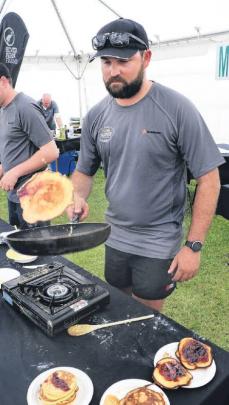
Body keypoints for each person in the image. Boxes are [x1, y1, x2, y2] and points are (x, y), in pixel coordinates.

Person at [67, 18, 224, 312]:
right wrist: (77, 196)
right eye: (106, 62)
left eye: (124, 61)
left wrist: (193, 246)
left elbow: (209, 178)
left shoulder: (177, 109)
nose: (113, 71)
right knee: (117, 304)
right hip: (114, 234)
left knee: (146, 316)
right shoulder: (96, 116)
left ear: (146, 58)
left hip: (158, 239)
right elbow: (84, 171)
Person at [0, 63, 59, 229]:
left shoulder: (25, 107)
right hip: (14, 196)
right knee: (17, 250)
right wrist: (4, 168)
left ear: (3, 81)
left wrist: (14, 172)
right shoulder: (3, 109)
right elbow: (15, 147)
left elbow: (51, 152)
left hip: (34, 197)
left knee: (38, 252)